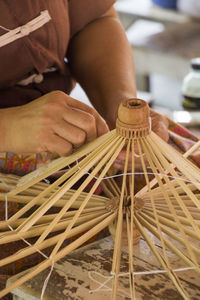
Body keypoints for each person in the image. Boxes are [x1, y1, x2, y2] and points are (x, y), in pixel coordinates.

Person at [0, 1, 169, 299]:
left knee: (176, 184)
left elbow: (93, 20)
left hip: (61, 132)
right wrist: (7, 128)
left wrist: (119, 103)